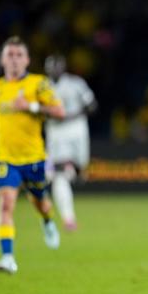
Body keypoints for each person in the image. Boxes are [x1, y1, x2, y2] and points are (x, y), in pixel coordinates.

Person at [0, 36, 65, 274]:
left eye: (19, 55)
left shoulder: (38, 84)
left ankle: (47, 221)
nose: (14, 59)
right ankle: (7, 258)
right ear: (3, 59)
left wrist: (31, 106)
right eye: (10, 55)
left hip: (34, 158)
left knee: (42, 204)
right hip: (5, 158)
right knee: (6, 205)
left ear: (26, 60)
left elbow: (60, 111)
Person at [44, 54, 97, 231]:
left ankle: (75, 171)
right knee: (60, 173)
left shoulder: (76, 83)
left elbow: (92, 105)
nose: (55, 70)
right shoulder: (41, 87)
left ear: (64, 67)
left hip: (76, 129)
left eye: (58, 66)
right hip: (55, 133)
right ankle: (68, 219)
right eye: (52, 66)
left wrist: (69, 115)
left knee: (79, 167)